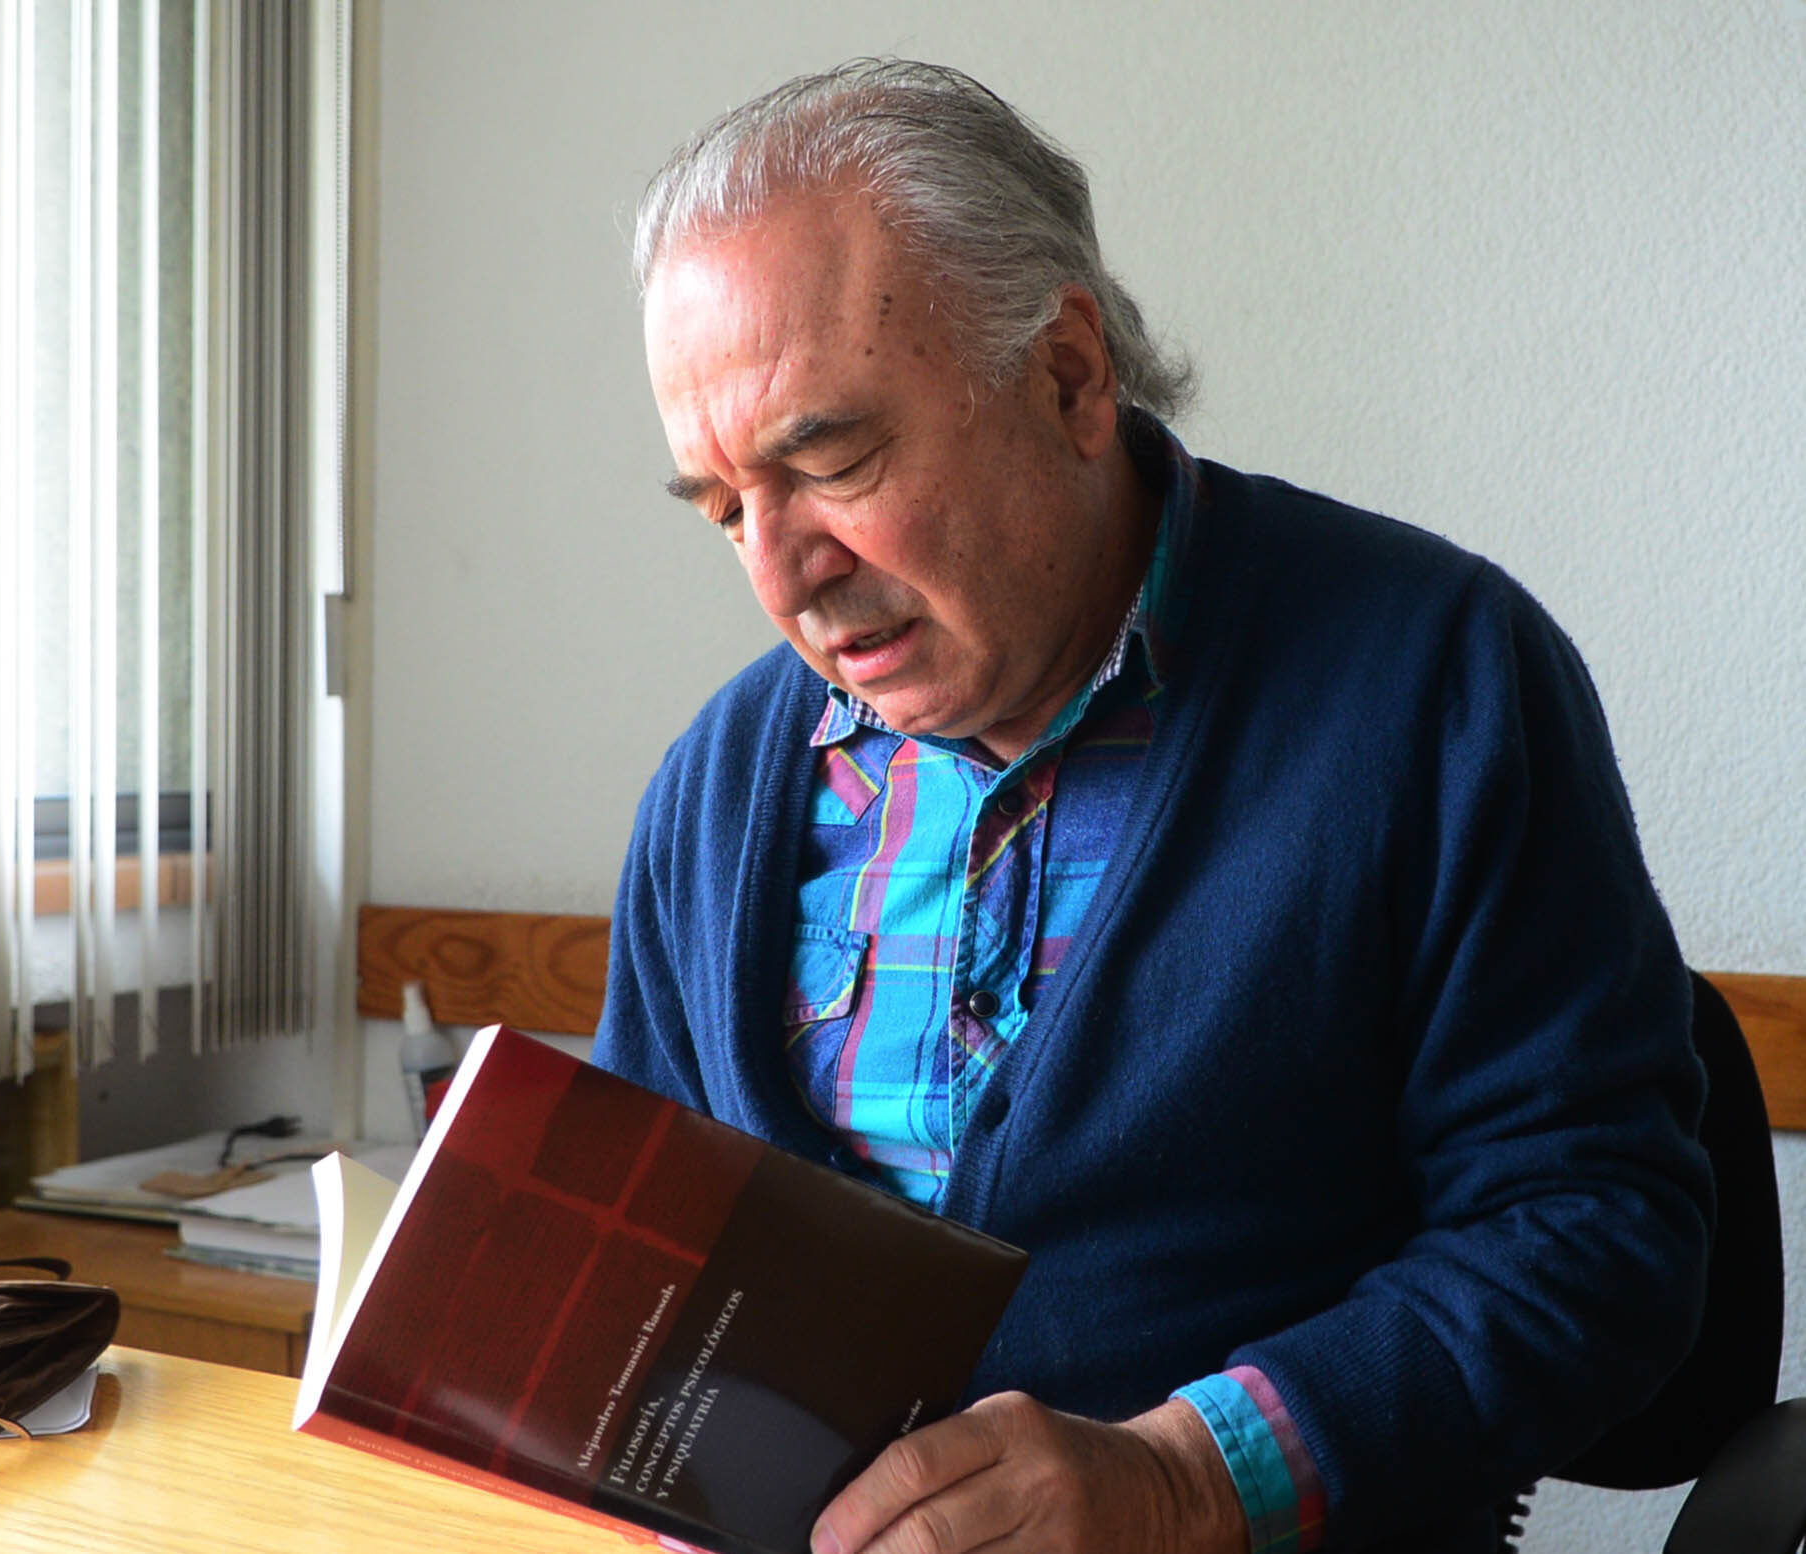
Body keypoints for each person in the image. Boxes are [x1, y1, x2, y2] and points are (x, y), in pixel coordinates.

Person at [590, 59, 1711, 1554]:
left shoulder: (1437, 678)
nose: (782, 575)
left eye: (832, 460)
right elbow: (640, 1260)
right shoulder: (718, 786)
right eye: (727, 507)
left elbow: (1597, 1231)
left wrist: (1184, 1480)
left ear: (1067, 375)